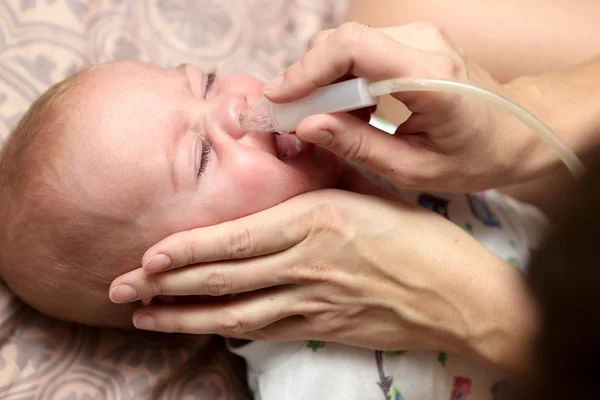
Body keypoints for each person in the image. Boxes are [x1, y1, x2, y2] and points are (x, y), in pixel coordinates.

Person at [108, 20, 600, 383]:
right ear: (187, 282)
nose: (234, 109)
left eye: (209, 83)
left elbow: (395, 115)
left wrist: (511, 116)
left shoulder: (363, 151)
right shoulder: (317, 381)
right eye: (201, 156)